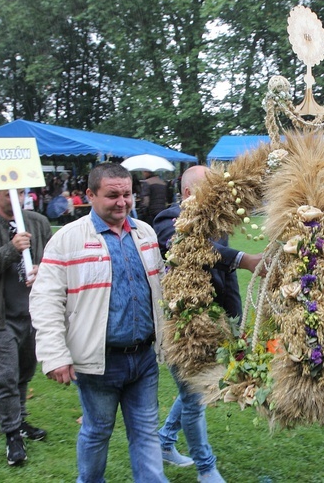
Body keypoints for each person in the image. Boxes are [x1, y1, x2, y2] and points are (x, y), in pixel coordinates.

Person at [29, 162, 168, 482]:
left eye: (128, 195)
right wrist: (55, 354)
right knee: (97, 432)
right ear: (89, 195)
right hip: (98, 361)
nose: (122, 202)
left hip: (144, 358)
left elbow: (160, 283)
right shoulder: (67, 240)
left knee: (146, 432)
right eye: (112, 195)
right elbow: (45, 299)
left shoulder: (145, 233)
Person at [154, 165, 263, 483]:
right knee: (194, 396)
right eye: (210, 189)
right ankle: (206, 468)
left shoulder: (216, 222)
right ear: (188, 193)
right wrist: (243, 258)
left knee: (194, 391)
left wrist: (235, 323)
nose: (218, 195)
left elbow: (226, 280)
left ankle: (164, 441)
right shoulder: (168, 219)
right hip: (183, 326)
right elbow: (196, 249)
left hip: (214, 322)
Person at [0, 188, 53, 465]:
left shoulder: (38, 222)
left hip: (32, 313)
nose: (16, 198)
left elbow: (56, 261)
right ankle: (12, 434)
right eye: (7, 194)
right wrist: (10, 249)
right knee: (5, 377)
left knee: (24, 371)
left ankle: (21, 419)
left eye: (22, 192)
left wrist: (43, 269)